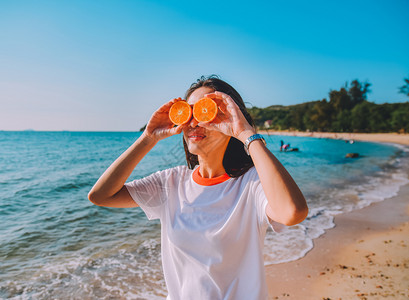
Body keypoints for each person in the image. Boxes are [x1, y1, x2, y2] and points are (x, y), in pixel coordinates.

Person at [88, 75, 308, 299]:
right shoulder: (171, 183)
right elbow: (101, 195)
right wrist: (148, 137)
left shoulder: (252, 184)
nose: (194, 122)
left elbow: (292, 212)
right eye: (189, 112)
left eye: (206, 111)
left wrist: (246, 134)